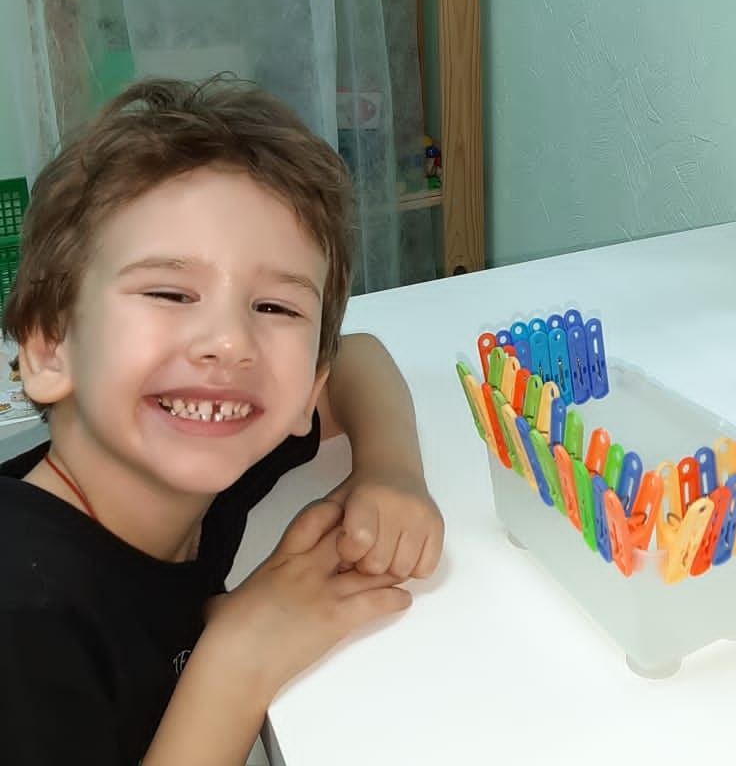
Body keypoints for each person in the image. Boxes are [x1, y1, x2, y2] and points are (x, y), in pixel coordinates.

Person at [0, 77, 444, 765]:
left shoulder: (201, 451)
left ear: (306, 389)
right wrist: (238, 659)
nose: (231, 342)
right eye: (170, 292)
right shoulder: (23, 623)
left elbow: (356, 356)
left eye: (276, 308)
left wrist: (391, 471)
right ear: (50, 350)